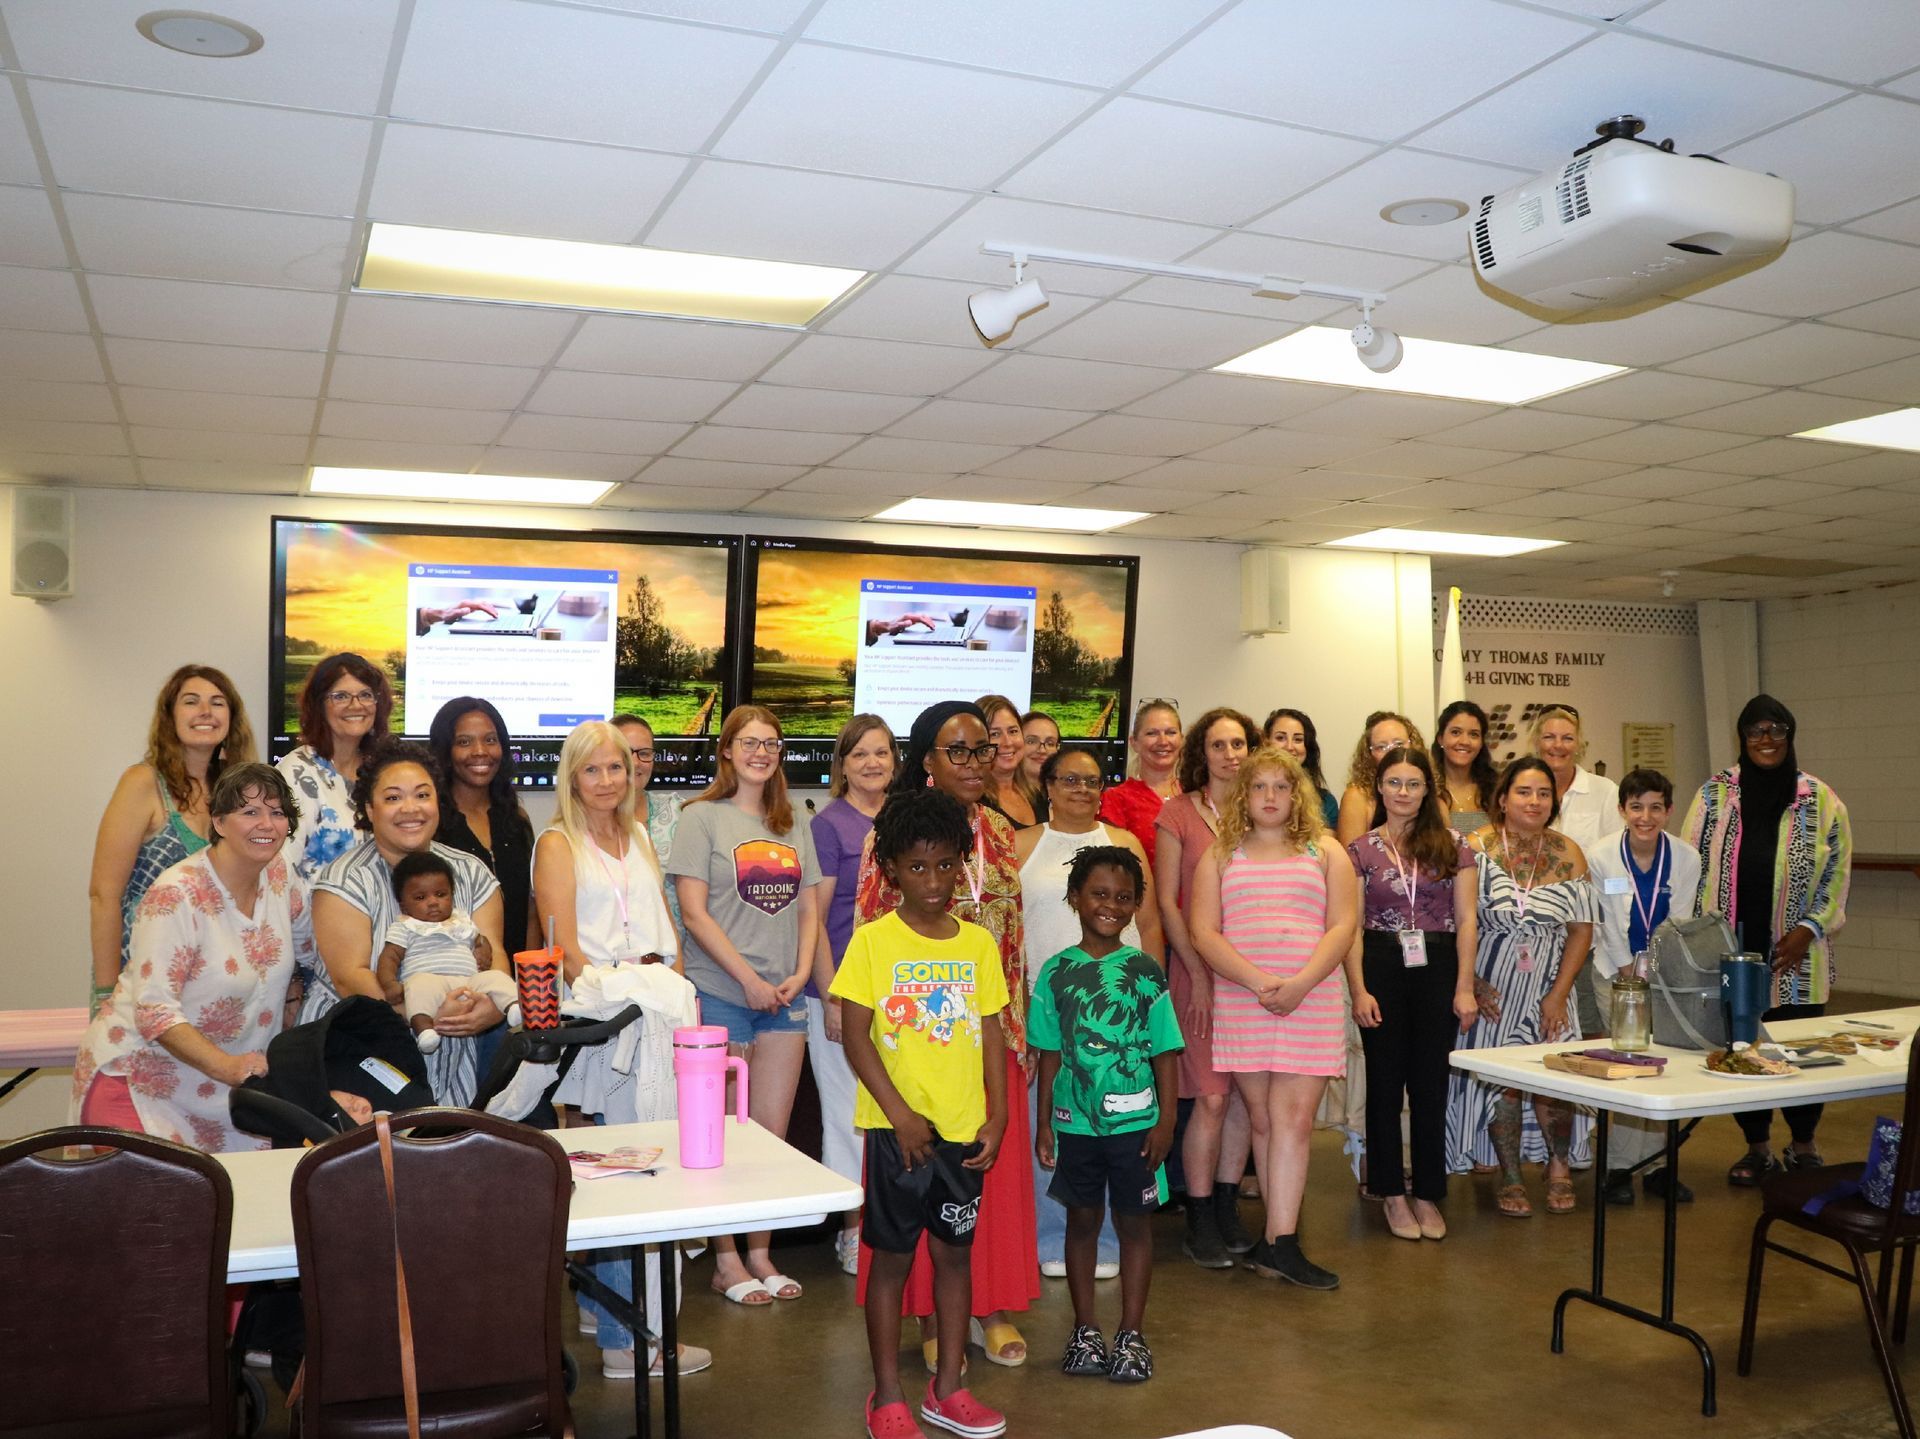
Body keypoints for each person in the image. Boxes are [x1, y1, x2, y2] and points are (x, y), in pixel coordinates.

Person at [855, 701, 1036, 1369]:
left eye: (983, 748)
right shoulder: (892, 834)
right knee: (924, 1182)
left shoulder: (1000, 829)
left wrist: (1021, 1032)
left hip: (994, 1036)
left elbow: (1015, 939)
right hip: (917, 1048)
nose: (974, 761)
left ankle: (991, 1309)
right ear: (925, 759)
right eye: (957, 750)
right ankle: (932, 1319)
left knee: (983, 1183)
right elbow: (873, 942)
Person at [833, 786, 1010, 1439]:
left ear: (962, 862)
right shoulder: (875, 942)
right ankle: (886, 1395)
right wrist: (900, 1114)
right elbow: (856, 1036)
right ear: (891, 871)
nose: (932, 881)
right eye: (916, 867)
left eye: (945, 865)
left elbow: (992, 1029)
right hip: (896, 1134)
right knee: (893, 1259)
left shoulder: (978, 945)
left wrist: (997, 1116)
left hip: (965, 1132)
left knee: (956, 1256)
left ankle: (950, 1387)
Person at [532, 719, 704, 1379]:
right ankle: (625, 1341)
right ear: (573, 777)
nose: (608, 780)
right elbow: (564, 946)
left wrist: (677, 990)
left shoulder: (634, 834)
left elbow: (664, 925)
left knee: (645, 1167)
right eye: (594, 769)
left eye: (618, 768)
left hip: (658, 1014)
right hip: (604, 1020)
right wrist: (625, 990)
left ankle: (618, 1320)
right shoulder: (556, 842)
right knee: (628, 1172)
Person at [74, 763, 312, 1152]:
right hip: (140, 1084)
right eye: (250, 812)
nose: (266, 824)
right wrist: (229, 1067)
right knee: (153, 1210)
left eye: (277, 812)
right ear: (218, 822)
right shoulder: (177, 895)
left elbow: (309, 949)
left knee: (234, 1207)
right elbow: (155, 1012)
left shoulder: (280, 875)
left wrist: (295, 991)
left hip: (228, 1099)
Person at [670, 705, 823, 1306]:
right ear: (728, 751)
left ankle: (761, 1253)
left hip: (785, 997)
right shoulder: (701, 819)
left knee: (770, 1138)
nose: (762, 752)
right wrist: (748, 981)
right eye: (750, 742)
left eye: (772, 744)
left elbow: (809, 908)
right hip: (723, 995)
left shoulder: (793, 822)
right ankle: (726, 1259)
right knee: (723, 1138)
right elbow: (694, 912)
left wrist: (803, 972)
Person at [1190, 747, 1357, 1290]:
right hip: (1246, 1002)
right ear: (1243, 794)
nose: (1269, 797)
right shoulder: (1220, 854)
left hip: (1309, 1000)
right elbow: (1204, 932)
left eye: (1280, 788)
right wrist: (1259, 982)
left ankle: (1282, 1242)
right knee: (1262, 1120)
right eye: (1258, 787)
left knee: (1293, 1122)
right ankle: (1272, 1244)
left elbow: (1342, 926)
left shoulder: (1325, 850)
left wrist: (1300, 983)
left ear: (1297, 794)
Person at [1684, 695, 1851, 1185]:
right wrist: (1700, 941)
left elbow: (1836, 876)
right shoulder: (1715, 793)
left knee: (1799, 1051)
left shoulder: (1820, 799)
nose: (1765, 739)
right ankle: (1756, 1148)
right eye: (1755, 730)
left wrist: (1809, 930)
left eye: (1776, 729)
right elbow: (1691, 866)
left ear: (1789, 736)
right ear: (1742, 737)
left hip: (1796, 955)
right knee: (1743, 1049)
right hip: (1733, 953)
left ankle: (1803, 1144)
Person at [1031, 845, 1180, 1384]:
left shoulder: (1146, 972)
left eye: (1123, 898)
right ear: (1075, 898)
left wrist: (1165, 1123)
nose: (1110, 906)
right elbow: (1049, 1052)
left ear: (1137, 905)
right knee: (1081, 1222)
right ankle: (1085, 1331)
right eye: (1098, 894)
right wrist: (1045, 1120)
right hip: (1075, 1126)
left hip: (1137, 1129)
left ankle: (1132, 1335)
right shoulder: (1055, 973)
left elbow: (1165, 1051)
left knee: (1135, 1226)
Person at [1015, 745, 1165, 1280]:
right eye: (1070, 779)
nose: (1082, 788)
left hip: (1116, 1018)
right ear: (1048, 785)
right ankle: (1051, 1237)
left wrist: (1149, 1003)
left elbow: (1148, 928)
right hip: (1049, 1012)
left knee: (1113, 1126)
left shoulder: (1121, 843)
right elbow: (1008, 934)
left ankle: (1105, 1242)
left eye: (1093, 780)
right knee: (1055, 1124)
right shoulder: (1023, 845)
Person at [301, 737, 506, 1106]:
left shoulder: (471, 872)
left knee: (446, 1154)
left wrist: (489, 1006)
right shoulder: (344, 880)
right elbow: (352, 978)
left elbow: (493, 953)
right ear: (369, 808)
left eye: (422, 795)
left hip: (456, 1045)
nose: (410, 809)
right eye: (393, 798)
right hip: (361, 1049)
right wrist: (426, 1012)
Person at [1446, 758, 1599, 1217]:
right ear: (1502, 797)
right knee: (1503, 1082)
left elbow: (1582, 931)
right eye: (1524, 792)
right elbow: (1454, 920)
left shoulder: (1570, 851)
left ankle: (1558, 1166)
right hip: (1491, 989)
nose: (1534, 801)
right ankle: (1510, 1173)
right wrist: (1470, 979)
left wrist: (1557, 994)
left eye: (1543, 794)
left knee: (1557, 1079)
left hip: (1552, 984)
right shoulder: (1472, 846)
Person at [1344, 747, 1478, 1241]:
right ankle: (1391, 1194)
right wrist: (1358, 989)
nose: (1403, 792)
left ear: (1428, 790)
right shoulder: (1359, 850)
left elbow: (1467, 921)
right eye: (1394, 783)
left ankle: (1426, 1193)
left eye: (1413, 783)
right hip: (1380, 964)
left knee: (1430, 1086)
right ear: (1379, 788)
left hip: (1438, 966)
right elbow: (1351, 928)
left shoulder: (1456, 846)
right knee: (1383, 1085)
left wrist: (1464, 987)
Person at [1154, 707, 1261, 1269]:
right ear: (1203, 752)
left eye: (1239, 743)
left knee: (1244, 1098)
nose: (1230, 754)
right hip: (1196, 976)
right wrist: (1196, 973)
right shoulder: (1176, 814)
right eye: (1218, 745)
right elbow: (1167, 900)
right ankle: (1198, 1215)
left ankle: (1226, 1208)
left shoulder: (1265, 809)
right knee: (1212, 1098)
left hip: (1253, 977)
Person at [89, 664, 256, 1012]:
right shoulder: (142, 783)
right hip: (143, 982)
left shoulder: (238, 791)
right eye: (191, 701)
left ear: (232, 719)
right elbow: (104, 895)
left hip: (216, 984)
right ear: (170, 716)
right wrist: (106, 993)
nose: (205, 712)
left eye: (218, 702)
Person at [1589, 769, 1701, 1205]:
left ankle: (1659, 1167)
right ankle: (1618, 1168)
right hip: (1613, 973)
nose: (1646, 816)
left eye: (1656, 806)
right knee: (1626, 1067)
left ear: (1669, 811)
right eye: (1636, 806)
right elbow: (1604, 923)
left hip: (1664, 976)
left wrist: (1651, 971)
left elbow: (1680, 921)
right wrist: (1626, 971)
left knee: (1662, 1067)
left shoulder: (1687, 858)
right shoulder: (1601, 857)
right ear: (1622, 810)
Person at [810, 713, 896, 1274]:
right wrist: (832, 996)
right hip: (841, 993)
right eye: (860, 753)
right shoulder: (828, 825)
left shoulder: (903, 818)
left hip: (901, 997)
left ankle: (890, 1225)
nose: (872, 763)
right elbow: (813, 920)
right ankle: (852, 1231)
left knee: (893, 1116)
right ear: (842, 765)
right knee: (847, 1118)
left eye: (882, 752)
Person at [376, 850, 519, 1053]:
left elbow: (480, 939)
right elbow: (390, 957)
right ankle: (424, 1030)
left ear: (452, 895)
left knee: (497, 978)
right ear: (404, 905)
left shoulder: (460, 921)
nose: (433, 902)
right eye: (420, 897)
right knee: (417, 987)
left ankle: (513, 1007)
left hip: (469, 984)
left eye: (441, 894)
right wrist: (389, 983)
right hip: (431, 982)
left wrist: (483, 949)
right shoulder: (405, 926)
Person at [428, 697, 538, 952]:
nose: (480, 751)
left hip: (519, 979)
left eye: (490, 740)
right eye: (464, 742)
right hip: (457, 976)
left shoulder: (516, 818)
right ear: (445, 751)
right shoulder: (431, 825)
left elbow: (531, 910)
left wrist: (529, 979)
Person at [277, 653, 394, 881]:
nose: (356, 705)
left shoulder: (383, 770)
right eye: (340, 696)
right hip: (315, 913)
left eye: (365, 695)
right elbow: (281, 866)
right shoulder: (296, 771)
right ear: (319, 705)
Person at [611, 713, 684, 932]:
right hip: (606, 958)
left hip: (674, 956)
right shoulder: (583, 824)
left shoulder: (678, 813)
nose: (635, 762)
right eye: (624, 753)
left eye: (644, 754)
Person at [1100, 700, 1181, 864]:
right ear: (1134, 743)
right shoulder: (1117, 800)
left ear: (1182, 739)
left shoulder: (1197, 795)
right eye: (1152, 733)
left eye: (1171, 732)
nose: (1163, 741)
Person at [1336, 711, 1424, 848]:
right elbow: (1351, 860)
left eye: (1399, 744)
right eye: (1381, 747)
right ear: (1369, 754)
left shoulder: (1427, 790)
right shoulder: (1357, 797)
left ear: (1413, 745)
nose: (1391, 752)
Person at [1264, 708, 1337, 830]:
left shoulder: (1326, 802)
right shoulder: (1251, 796)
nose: (1289, 747)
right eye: (1280, 738)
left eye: (1298, 739)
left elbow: (1326, 844)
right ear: (1266, 743)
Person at [1434, 700, 1497, 832]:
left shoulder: (1496, 788)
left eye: (1473, 734)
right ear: (1440, 738)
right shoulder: (1426, 788)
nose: (1464, 741)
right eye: (1456, 732)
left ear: (1481, 743)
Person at [978, 694, 1036, 828]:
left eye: (1013, 731)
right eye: (995, 734)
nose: (1008, 742)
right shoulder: (974, 803)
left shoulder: (1036, 794)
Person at [1017, 710, 1061, 825]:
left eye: (1050, 743)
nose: (1042, 750)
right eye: (1031, 741)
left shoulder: (1064, 794)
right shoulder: (1006, 798)